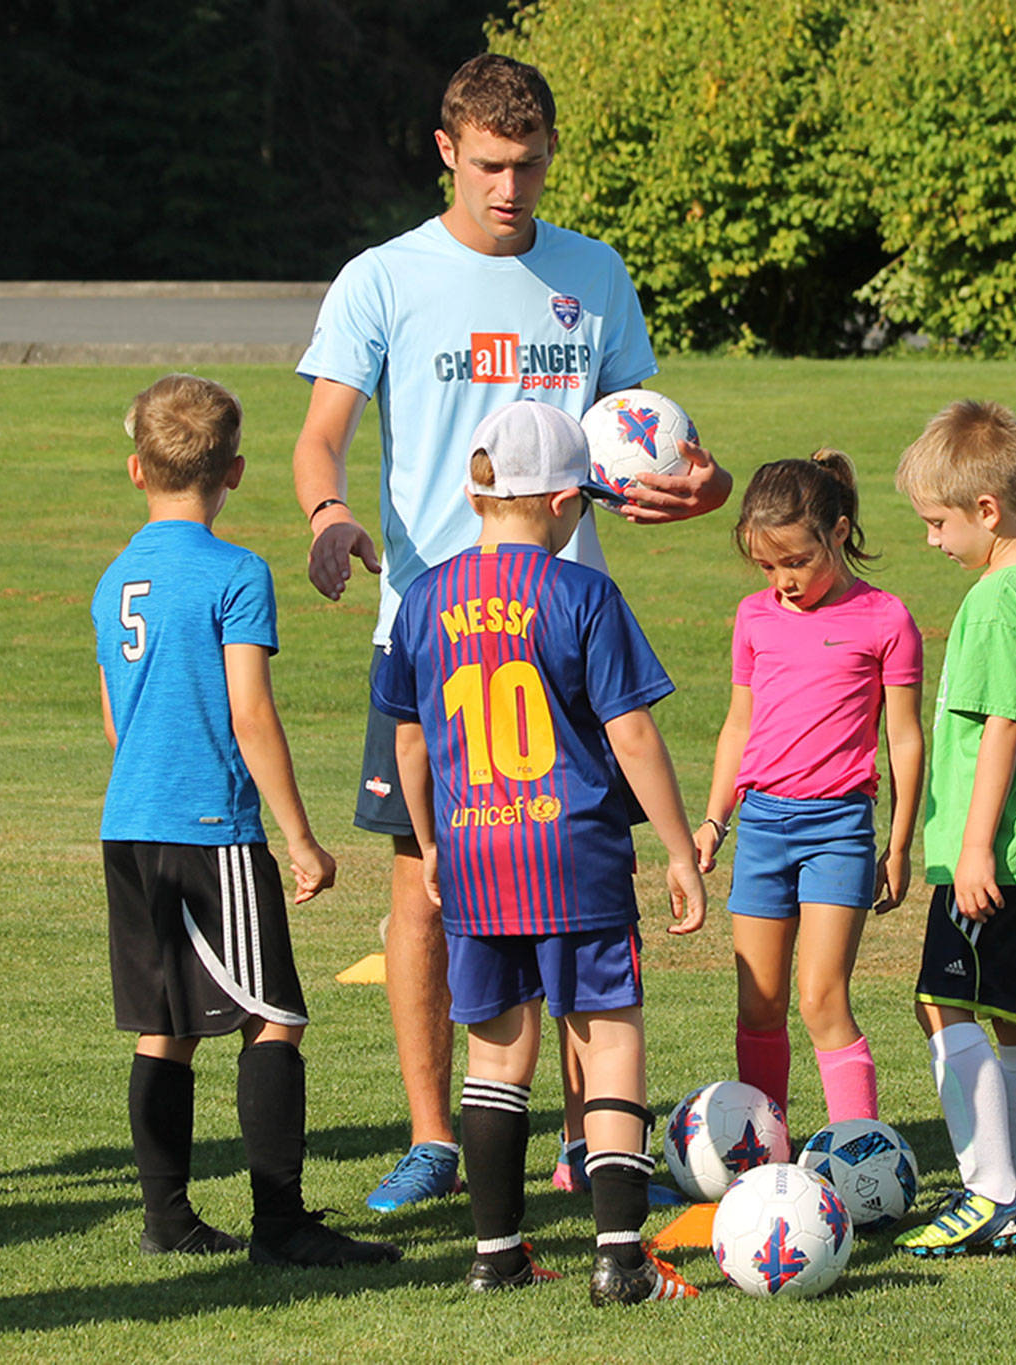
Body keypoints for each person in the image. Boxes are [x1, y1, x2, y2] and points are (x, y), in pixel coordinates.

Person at [292, 52, 731, 1212]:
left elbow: (649, 432)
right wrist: (330, 515)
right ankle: (435, 1138)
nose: (508, 187)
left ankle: (589, 1143)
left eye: (527, 165)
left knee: (587, 879)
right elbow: (320, 433)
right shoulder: (384, 277)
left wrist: (704, 483)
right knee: (423, 884)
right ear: (447, 150)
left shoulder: (591, 273)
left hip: (567, 621)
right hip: (433, 625)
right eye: (488, 165)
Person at [374, 401, 706, 1302]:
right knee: (608, 1044)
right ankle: (622, 1258)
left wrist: (435, 839)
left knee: (496, 1058)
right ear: (563, 501)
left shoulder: (422, 597)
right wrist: (679, 846)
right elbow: (631, 733)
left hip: (478, 852)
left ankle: (496, 1254)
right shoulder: (582, 593)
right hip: (576, 855)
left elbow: (408, 742)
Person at [91, 374, 400, 1267]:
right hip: (209, 828)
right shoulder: (235, 571)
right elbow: (250, 713)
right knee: (275, 1018)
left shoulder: (118, 576)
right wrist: (298, 834)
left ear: (135, 469)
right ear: (235, 471)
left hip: (131, 823)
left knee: (168, 1023)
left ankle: (168, 1216)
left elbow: (118, 719)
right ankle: (281, 1222)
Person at [890, 401, 1016, 1256]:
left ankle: (991, 1191)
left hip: (1000, 850)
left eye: (937, 522)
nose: (933, 541)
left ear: (986, 510)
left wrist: (972, 847)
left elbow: (1003, 723)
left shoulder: (996, 602)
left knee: (942, 1001)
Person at [693, 452, 923, 1128]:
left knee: (822, 998)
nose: (783, 581)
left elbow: (905, 738)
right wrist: (715, 818)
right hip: (762, 825)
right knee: (758, 1005)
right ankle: (766, 1149)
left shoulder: (887, 619)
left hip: (839, 831)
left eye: (796, 561)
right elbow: (740, 723)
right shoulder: (753, 617)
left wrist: (901, 842)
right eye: (768, 566)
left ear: (840, 532)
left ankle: (859, 1149)